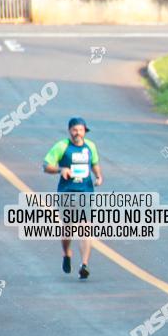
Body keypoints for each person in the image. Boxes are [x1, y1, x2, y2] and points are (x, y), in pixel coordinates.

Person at [43, 117, 103, 279]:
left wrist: (98, 176)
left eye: (81, 130)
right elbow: (46, 165)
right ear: (69, 130)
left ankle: (84, 265)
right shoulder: (62, 146)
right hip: (67, 192)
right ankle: (66, 253)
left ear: (85, 131)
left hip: (86, 192)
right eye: (75, 130)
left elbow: (95, 163)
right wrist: (60, 170)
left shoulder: (90, 146)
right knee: (68, 228)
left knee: (85, 227)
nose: (78, 133)